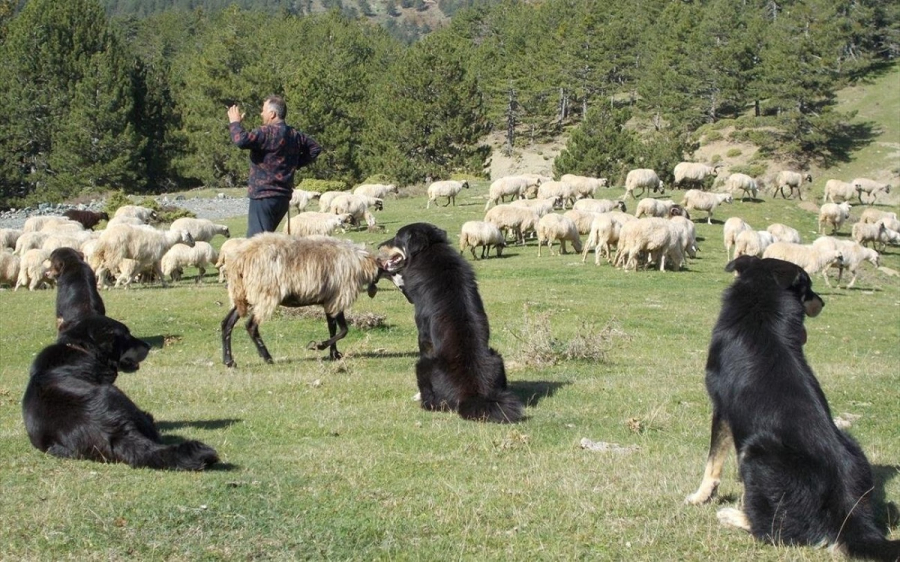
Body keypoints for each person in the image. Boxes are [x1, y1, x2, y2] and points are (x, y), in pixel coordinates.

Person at [227, 95, 322, 237]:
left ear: (272, 114)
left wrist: (235, 123)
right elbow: (315, 148)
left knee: (256, 244)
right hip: (283, 197)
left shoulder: (265, 132)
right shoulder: (294, 134)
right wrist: (294, 164)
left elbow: (241, 140)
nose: (261, 113)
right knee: (267, 240)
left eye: (263, 110)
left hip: (263, 196)